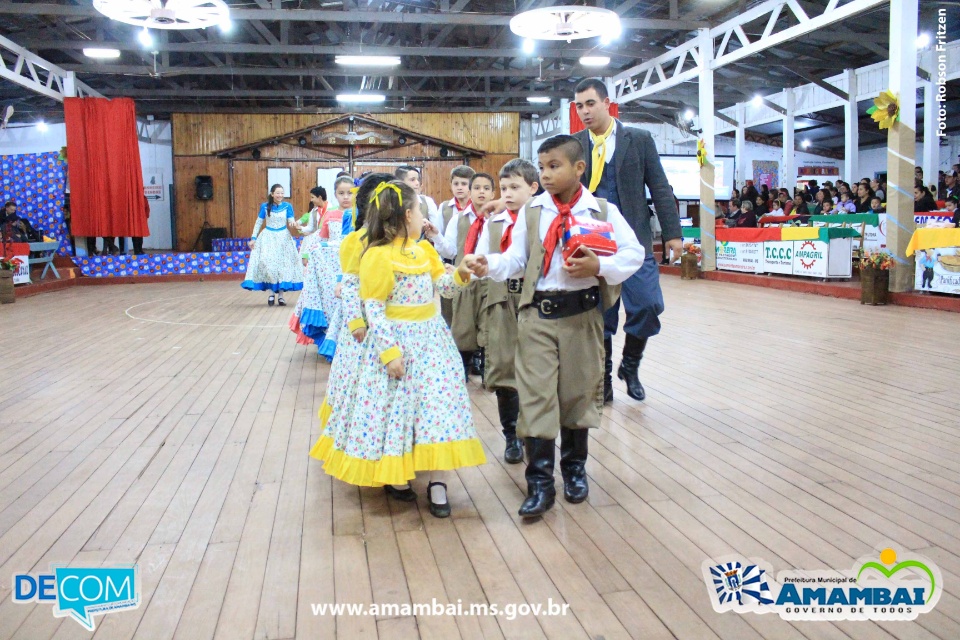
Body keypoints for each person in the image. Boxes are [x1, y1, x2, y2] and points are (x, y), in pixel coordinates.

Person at [464, 135, 644, 517]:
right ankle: (540, 482)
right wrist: (488, 264)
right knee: (536, 396)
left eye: (554, 166)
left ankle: (575, 469)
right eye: (542, 166)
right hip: (537, 316)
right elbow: (516, 259)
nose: (545, 174)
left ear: (579, 168)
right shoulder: (533, 212)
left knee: (578, 394)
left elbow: (635, 253)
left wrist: (600, 266)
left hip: (582, 316)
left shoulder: (602, 211)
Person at [310, 180, 486, 518]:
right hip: (398, 342)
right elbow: (374, 307)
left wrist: (461, 274)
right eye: (420, 210)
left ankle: (438, 482)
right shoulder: (377, 255)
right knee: (397, 411)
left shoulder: (425, 251)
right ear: (407, 215)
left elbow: (445, 288)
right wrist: (389, 353)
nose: (423, 217)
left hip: (432, 343)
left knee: (437, 409)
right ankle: (397, 473)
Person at [570, 78, 680, 404]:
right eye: (579, 106)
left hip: (635, 239)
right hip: (591, 242)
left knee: (648, 304)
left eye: (591, 104)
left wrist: (673, 234)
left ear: (607, 103)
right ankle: (602, 381)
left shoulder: (639, 139)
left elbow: (659, 187)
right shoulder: (574, 145)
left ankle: (630, 365)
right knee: (599, 316)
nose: (585, 111)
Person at [474, 158, 539, 464]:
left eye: (515, 187)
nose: (508, 194)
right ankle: (511, 434)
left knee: (536, 368)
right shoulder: (494, 222)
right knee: (503, 367)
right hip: (502, 298)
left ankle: (532, 431)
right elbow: (483, 258)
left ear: (533, 188)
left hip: (533, 299)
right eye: (504, 188)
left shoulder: (542, 218)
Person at [427, 172, 494, 380]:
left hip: (491, 280)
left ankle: (487, 368)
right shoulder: (459, 219)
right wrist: (436, 236)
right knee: (463, 325)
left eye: (486, 188)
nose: (481, 192)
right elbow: (450, 250)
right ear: (470, 192)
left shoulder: (498, 219)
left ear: (493, 193)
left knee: (489, 324)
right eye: (477, 188)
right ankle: (462, 366)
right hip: (465, 278)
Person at [242, 184, 303, 305]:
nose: (280, 195)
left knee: (282, 266)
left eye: (282, 193)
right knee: (268, 265)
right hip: (268, 238)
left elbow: (290, 220)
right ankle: (271, 294)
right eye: (278, 193)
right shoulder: (265, 206)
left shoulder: (287, 206)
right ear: (272, 194)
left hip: (283, 238)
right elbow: (258, 222)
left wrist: (294, 224)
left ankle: (280, 296)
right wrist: (253, 238)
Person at [436, 166, 475, 327]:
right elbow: (439, 235)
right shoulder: (445, 208)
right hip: (450, 261)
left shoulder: (479, 208)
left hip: (472, 261)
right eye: (456, 184)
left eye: (464, 184)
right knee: (450, 308)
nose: (459, 187)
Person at [395, 165, 441, 233]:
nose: (417, 183)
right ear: (400, 183)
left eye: (418, 180)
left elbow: (437, 231)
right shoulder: (392, 202)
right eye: (412, 180)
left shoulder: (427, 202)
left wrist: (429, 227)